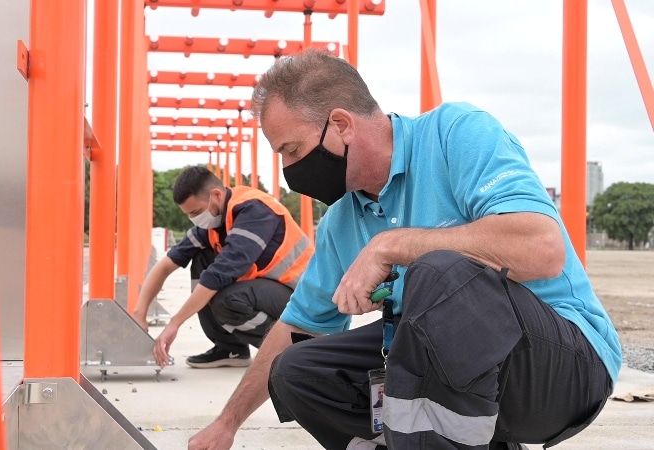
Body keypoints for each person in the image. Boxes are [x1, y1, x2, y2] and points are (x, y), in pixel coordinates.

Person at [187, 50, 621, 450]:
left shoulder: (456, 134)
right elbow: (298, 325)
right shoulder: (343, 221)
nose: (288, 171)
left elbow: (542, 249)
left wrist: (393, 245)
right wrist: (227, 423)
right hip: (460, 376)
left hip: (561, 368)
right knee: (298, 371)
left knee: (441, 272)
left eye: (292, 149)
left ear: (341, 125)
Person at [132, 166, 314, 369]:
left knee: (225, 300)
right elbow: (166, 265)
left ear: (216, 195)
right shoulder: (214, 223)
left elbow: (218, 275)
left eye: (196, 212)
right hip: (274, 292)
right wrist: (140, 314)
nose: (194, 219)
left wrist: (175, 323)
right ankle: (231, 349)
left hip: (305, 300)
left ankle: (293, 348)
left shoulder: (255, 211)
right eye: (189, 215)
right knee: (202, 258)